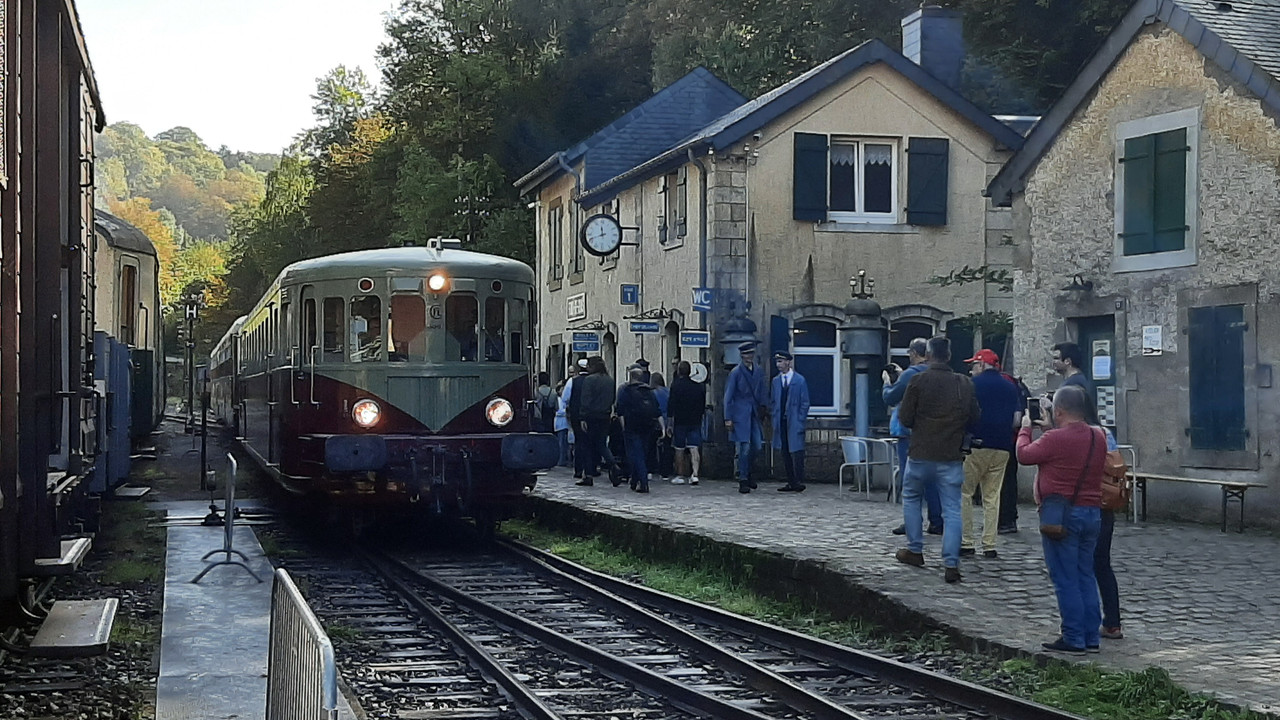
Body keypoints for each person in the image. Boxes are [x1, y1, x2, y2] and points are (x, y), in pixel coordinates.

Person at [1017, 384, 1105, 654]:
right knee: (1085, 574)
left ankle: (1073, 637)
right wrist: (1049, 430)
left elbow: (1024, 454)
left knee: (1065, 578)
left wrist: (1024, 428)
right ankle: (1092, 637)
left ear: (1059, 410)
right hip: (1092, 513)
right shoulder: (1098, 435)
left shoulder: (1055, 440)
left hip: (1063, 515)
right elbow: (1068, 449)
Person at [895, 336, 981, 584]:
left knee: (911, 498)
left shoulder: (918, 380)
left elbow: (906, 418)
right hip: (951, 456)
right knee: (952, 509)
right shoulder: (963, 383)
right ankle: (951, 563)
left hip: (920, 454)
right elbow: (975, 417)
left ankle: (915, 549)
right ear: (950, 355)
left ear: (929, 355)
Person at [960, 349, 1022, 559]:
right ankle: (989, 544)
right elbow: (1016, 420)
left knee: (965, 493)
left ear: (981, 364)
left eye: (973, 366)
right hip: (1002, 447)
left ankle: (967, 542)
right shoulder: (1011, 386)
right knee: (992, 496)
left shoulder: (972, 386)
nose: (971, 370)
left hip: (976, 446)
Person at [882, 338, 943, 535]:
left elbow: (891, 397)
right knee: (932, 479)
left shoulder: (910, 374)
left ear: (915, 354)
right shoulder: (935, 374)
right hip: (932, 432)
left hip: (908, 434)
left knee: (911, 480)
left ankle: (912, 522)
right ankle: (936, 520)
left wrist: (887, 383)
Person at [723, 342, 768, 494]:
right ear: (742, 356)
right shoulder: (736, 373)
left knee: (757, 445)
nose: (750, 357)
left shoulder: (759, 371)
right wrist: (728, 417)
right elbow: (728, 396)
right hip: (740, 414)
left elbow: (762, 390)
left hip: (754, 413)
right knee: (744, 446)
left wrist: (764, 406)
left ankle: (748, 471)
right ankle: (743, 478)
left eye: (751, 354)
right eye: (747, 354)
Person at [616, 367, 662, 493]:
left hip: (632, 426)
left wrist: (623, 427)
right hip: (647, 426)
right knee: (642, 453)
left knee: (636, 455)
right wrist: (662, 427)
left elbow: (620, 411)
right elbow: (657, 411)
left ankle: (643, 482)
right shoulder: (649, 391)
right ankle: (635, 481)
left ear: (630, 377)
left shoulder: (626, 390)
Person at [770, 352, 810, 492]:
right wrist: (774, 417)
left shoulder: (799, 380)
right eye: (777, 362)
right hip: (781, 420)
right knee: (784, 451)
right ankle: (790, 480)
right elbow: (774, 401)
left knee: (797, 451)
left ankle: (798, 480)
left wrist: (800, 419)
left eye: (781, 361)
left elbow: (805, 402)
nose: (778, 365)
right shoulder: (776, 381)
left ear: (788, 362)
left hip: (794, 420)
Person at [997, 373, 1032, 534]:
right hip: (1012, 440)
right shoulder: (1014, 384)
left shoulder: (1005, 385)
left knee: (1001, 482)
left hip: (1005, 439)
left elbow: (1017, 419)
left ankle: (1004, 519)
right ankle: (1008, 518)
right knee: (1009, 479)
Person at [667, 360, 706, 485]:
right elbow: (702, 404)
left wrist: (669, 422)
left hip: (680, 421)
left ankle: (680, 475)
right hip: (695, 421)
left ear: (679, 371)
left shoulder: (676, 385)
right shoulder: (698, 386)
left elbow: (671, 404)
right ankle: (695, 474)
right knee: (694, 447)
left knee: (679, 448)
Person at [565, 359, 591, 479]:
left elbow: (565, 398)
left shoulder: (572, 381)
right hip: (591, 415)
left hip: (576, 415)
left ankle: (579, 469)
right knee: (590, 442)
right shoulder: (593, 381)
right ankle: (590, 468)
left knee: (579, 442)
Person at [650, 372, 674, 482]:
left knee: (651, 446)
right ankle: (665, 471)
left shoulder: (652, 393)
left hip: (655, 422)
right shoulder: (668, 391)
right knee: (667, 447)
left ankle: (651, 469)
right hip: (668, 421)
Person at [554, 379, 572, 467]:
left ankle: (566, 459)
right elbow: (558, 410)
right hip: (560, 423)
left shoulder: (566, 400)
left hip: (566, 423)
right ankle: (561, 460)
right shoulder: (557, 400)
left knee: (567, 443)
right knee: (561, 442)